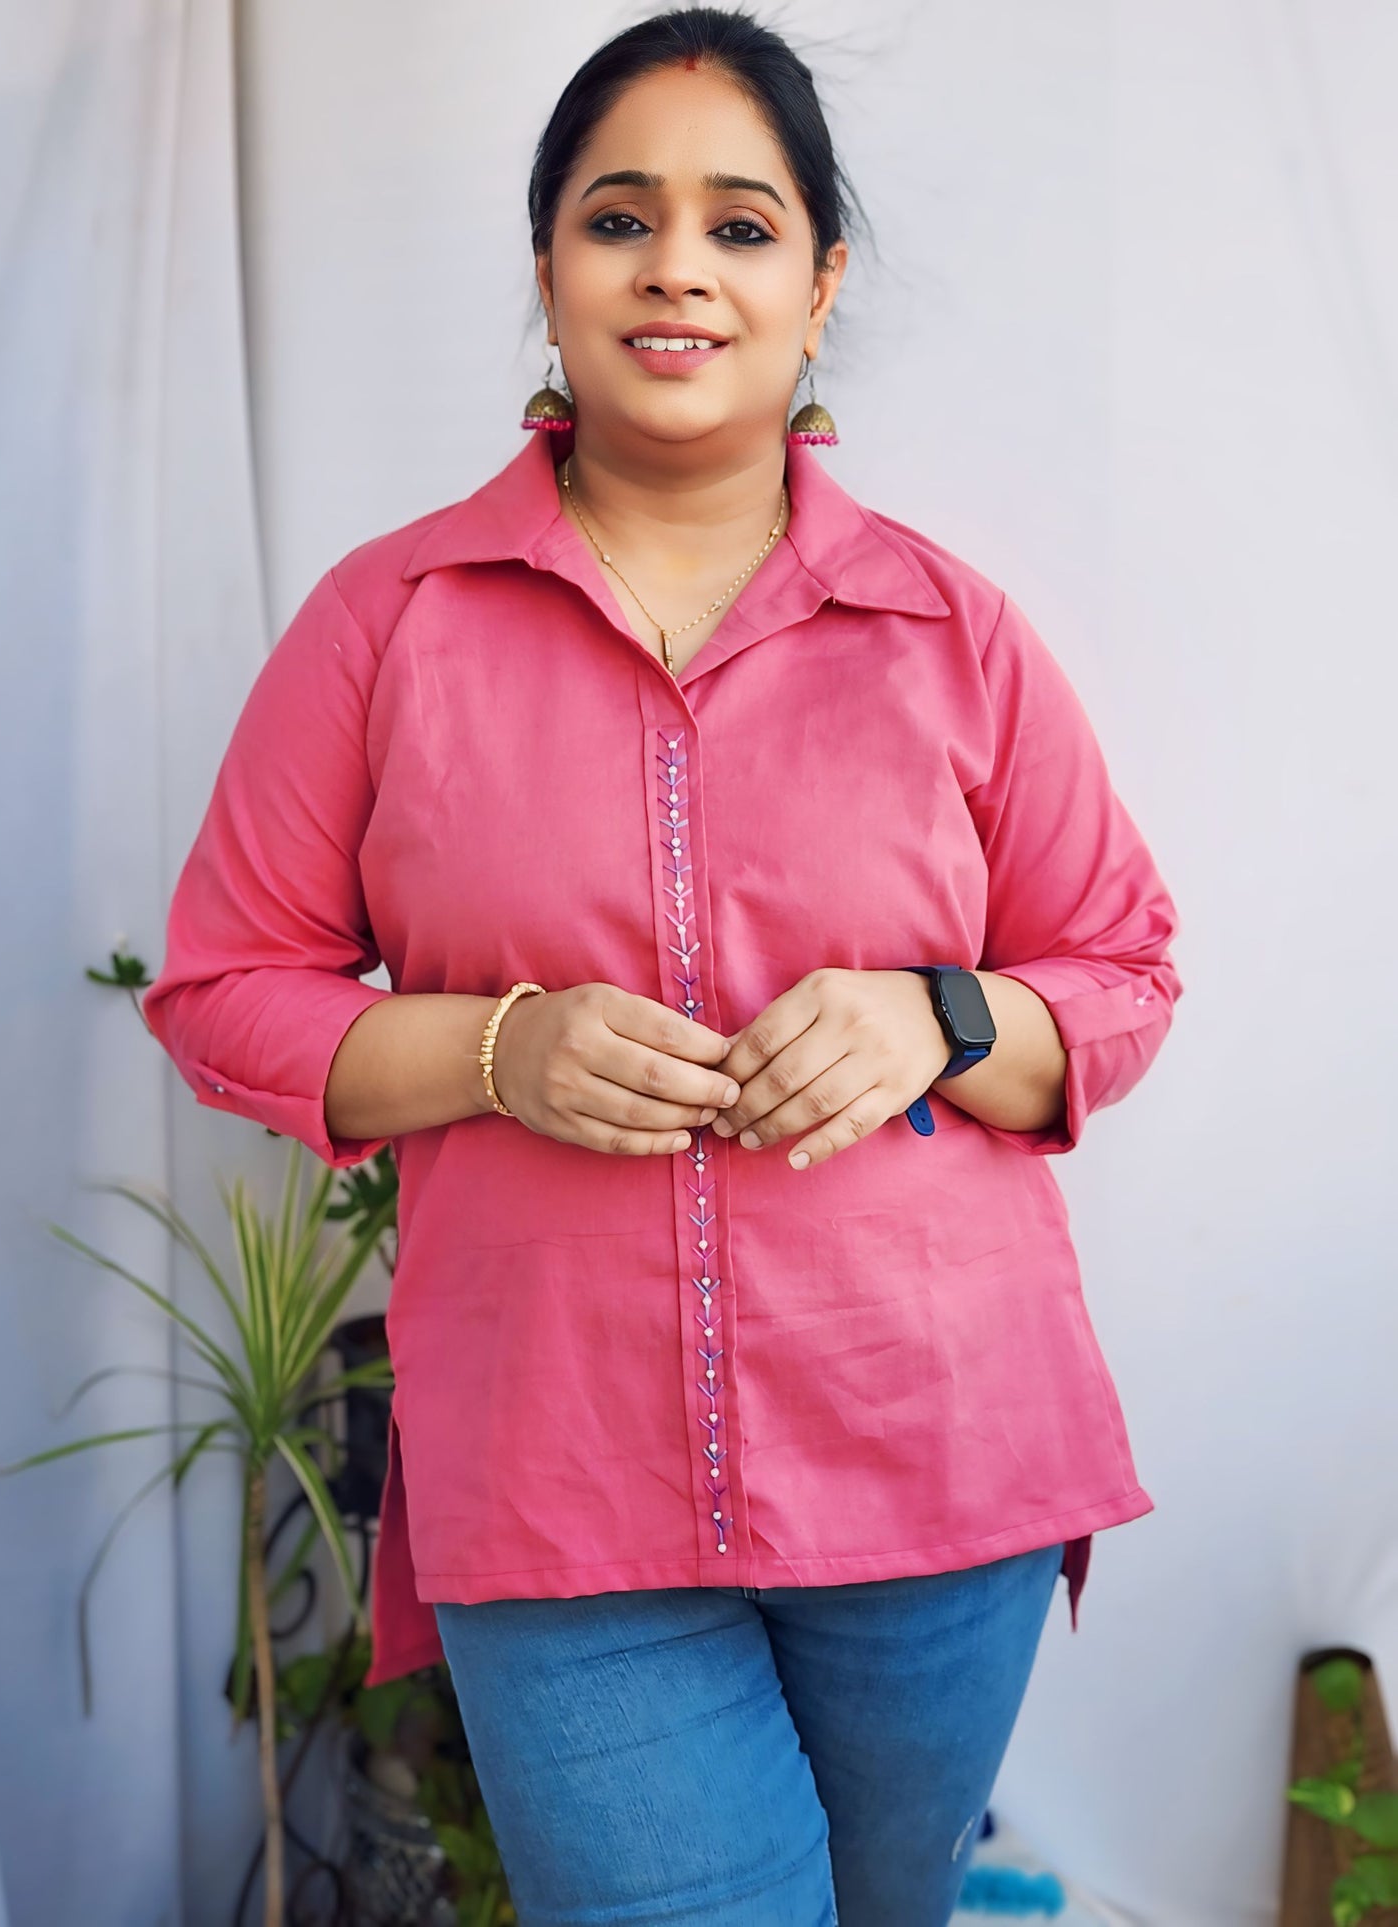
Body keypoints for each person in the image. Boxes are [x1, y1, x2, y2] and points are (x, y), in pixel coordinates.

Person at [143, 7, 1184, 1921]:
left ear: (818, 281)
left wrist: (941, 1015)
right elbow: (223, 987)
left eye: (741, 223)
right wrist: (491, 1050)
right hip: (559, 1488)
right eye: (620, 219)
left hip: (934, 1461)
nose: (678, 268)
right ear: (548, 270)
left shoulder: (952, 632)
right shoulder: (388, 625)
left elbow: (1116, 970)